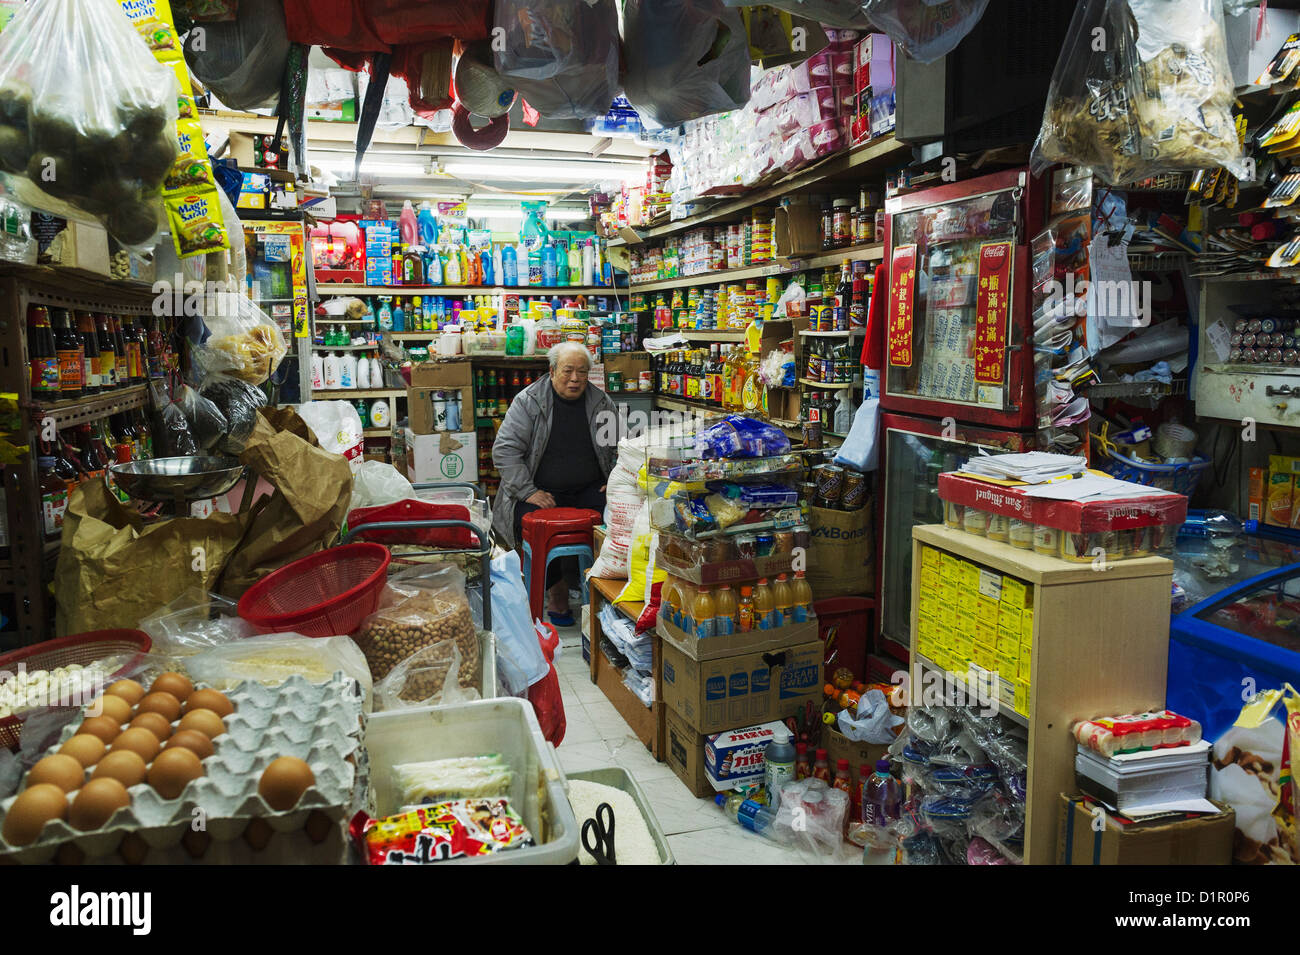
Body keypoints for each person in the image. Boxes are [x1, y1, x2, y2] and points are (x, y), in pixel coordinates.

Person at [492, 341, 617, 625]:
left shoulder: (601, 402)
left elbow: (618, 447)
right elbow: (505, 451)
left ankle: (602, 589)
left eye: (582, 372)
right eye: (568, 371)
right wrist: (529, 491)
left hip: (588, 489)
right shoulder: (529, 402)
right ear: (552, 371)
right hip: (540, 490)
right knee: (530, 521)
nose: (575, 379)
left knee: (620, 515)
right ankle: (556, 590)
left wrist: (614, 480)